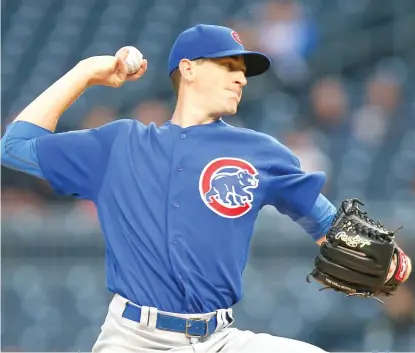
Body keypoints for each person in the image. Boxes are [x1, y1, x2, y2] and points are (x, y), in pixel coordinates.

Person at [1, 24, 409, 353]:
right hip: (133, 340)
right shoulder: (119, 144)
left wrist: (373, 254)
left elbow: (325, 222)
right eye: (228, 66)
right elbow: (14, 147)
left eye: (243, 71)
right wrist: (87, 73)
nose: (240, 79)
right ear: (189, 68)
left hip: (218, 340)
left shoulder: (259, 151)